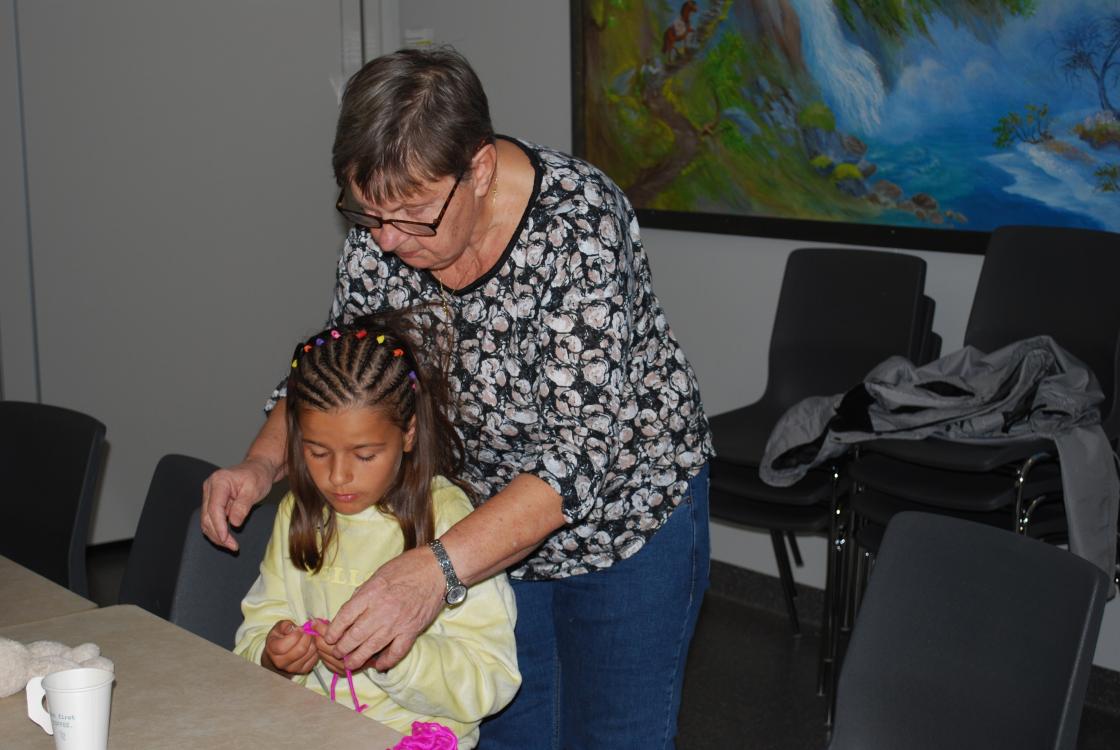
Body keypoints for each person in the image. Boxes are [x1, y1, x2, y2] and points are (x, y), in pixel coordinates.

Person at [204, 46, 713, 748]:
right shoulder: (383, 235)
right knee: (504, 731)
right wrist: (261, 466)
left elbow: (575, 462)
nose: (387, 239)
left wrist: (435, 571)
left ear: (479, 169)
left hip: (623, 521)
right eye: (367, 213)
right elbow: (341, 373)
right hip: (478, 522)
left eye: (413, 214)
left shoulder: (576, 228)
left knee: (614, 735)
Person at [232, 313, 520, 749]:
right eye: (317, 452)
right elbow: (255, 632)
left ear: (408, 434)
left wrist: (394, 659)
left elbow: (490, 679)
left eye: (364, 455)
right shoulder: (298, 512)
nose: (338, 477)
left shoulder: (449, 522)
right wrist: (273, 657)